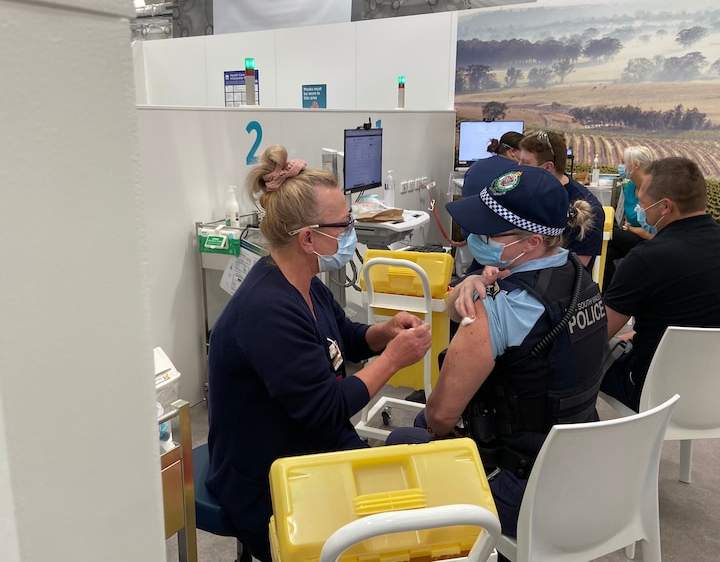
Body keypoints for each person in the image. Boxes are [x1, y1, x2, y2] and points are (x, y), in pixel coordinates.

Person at [205, 145, 432, 561]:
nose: (350, 231)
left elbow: (342, 336)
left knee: (406, 520)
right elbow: (326, 408)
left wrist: (383, 332)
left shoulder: (304, 281)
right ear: (309, 238)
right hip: (269, 476)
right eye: (344, 224)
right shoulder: (267, 309)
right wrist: (394, 359)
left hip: (314, 446)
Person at [386, 165, 607, 537]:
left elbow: (441, 417)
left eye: (488, 232)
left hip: (523, 489)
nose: (475, 237)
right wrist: (472, 281)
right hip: (586, 467)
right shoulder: (578, 274)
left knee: (404, 438)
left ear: (532, 241)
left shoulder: (498, 310)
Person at [601, 157, 720, 411]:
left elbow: (599, 334)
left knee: (579, 358)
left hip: (657, 398)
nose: (641, 209)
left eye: (642, 203)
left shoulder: (646, 258)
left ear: (665, 207)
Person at [518, 130, 604, 271]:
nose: (519, 167)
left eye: (525, 162)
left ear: (547, 167)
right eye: (519, 161)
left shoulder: (585, 209)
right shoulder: (522, 192)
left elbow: (576, 270)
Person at [602, 145, 655, 290]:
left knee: (603, 233)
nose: (620, 166)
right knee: (604, 251)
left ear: (636, 165)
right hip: (632, 236)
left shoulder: (655, 191)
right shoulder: (631, 187)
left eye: (623, 162)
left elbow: (654, 235)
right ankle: (606, 295)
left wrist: (631, 229)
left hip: (649, 240)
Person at [460, 130, 523, 198]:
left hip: (469, 207)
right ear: (513, 151)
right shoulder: (516, 171)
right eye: (525, 151)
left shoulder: (475, 165)